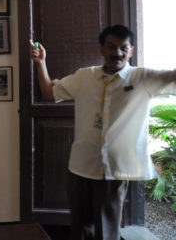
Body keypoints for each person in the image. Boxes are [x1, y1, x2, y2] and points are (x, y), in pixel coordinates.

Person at [29, 24, 176, 240]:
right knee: (79, 227)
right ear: (102, 48)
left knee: (107, 230)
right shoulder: (84, 77)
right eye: (111, 47)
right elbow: (50, 93)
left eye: (123, 48)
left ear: (131, 51)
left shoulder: (142, 78)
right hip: (81, 165)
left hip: (115, 170)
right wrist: (40, 63)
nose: (117, 53)